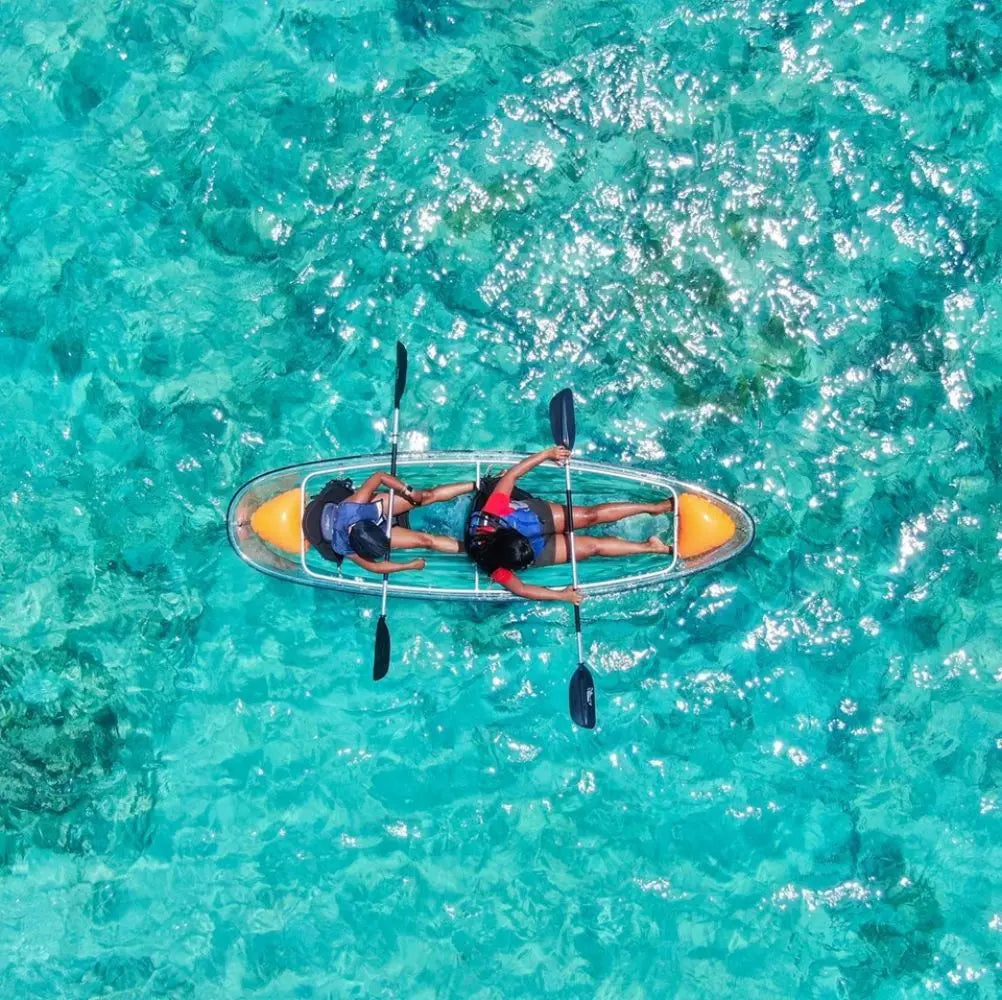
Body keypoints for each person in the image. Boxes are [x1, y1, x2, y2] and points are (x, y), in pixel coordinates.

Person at [465, 446, 674, 604]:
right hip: (537, 551)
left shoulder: (493, 511)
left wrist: (547, 454)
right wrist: (560, 596)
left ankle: (654, 508)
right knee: (593, 547)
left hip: (528, 519)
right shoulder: (490, 563)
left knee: (588, 516)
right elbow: (521, 589)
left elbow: (512, 475)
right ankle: (649, 547)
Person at [304, 472, 474, 574]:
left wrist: (408, 490)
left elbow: (379, 476)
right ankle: (474, 548)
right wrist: (410, 565)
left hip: (370, 509)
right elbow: (375, 567)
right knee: (426, 541)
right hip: (360, 528)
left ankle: (478, 484)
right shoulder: (343, 546)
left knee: (426, 497)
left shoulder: (354, 506)